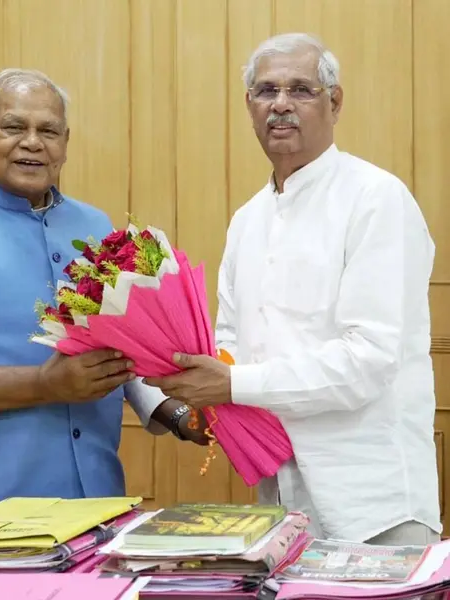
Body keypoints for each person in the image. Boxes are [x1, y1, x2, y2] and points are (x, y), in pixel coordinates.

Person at [0, 68, 203, 586]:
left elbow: (120, 348)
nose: (32, 143)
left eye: (48, 131)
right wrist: (44, 385)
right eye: (12, 127)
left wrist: (177, 410)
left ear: (66, 144)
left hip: (88, 517)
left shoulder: (98, 230)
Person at [144, 33, 442, 545]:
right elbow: (233, 340)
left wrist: (231, 385)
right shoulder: (248, 219)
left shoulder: (376, 199)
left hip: (374, 502)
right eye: (266, 90)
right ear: (249, 105)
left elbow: (368, 360)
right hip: (277, 493)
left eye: (301, 89)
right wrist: (197, 386)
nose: (281, 104)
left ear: (335, 101)